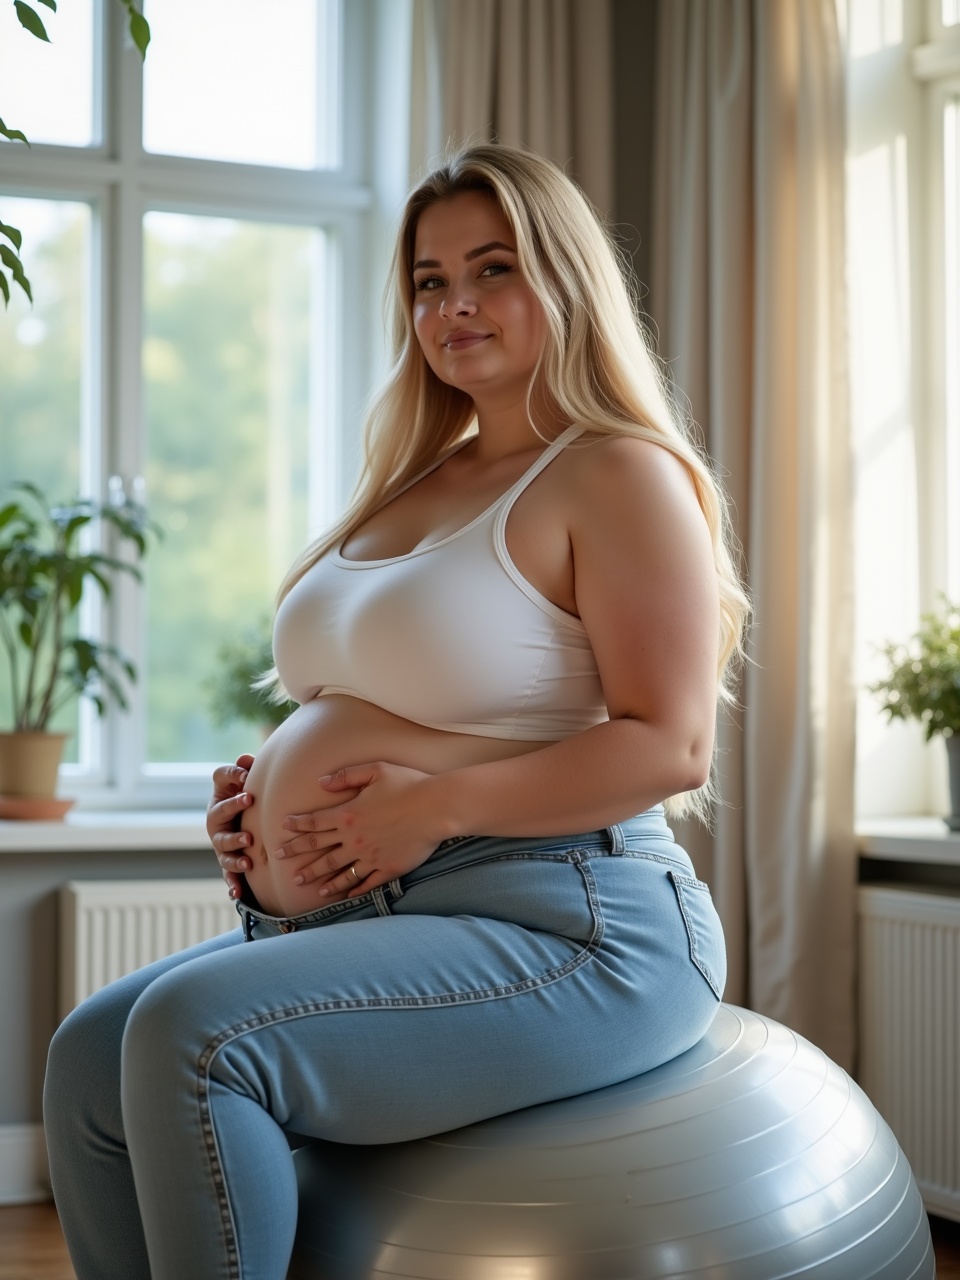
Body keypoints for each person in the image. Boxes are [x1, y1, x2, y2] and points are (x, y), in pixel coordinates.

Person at [44, 144, 749, 1280]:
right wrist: (263, 796)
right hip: (364, 913)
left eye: (493, 268)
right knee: (86, 1054)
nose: (454, 304)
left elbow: (670, 741)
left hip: (570, 920)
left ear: (565, 279)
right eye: (428, 279)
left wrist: (434, 806)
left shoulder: (616, 473)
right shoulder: (415, 478)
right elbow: (373, 704)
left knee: (192, 1036)